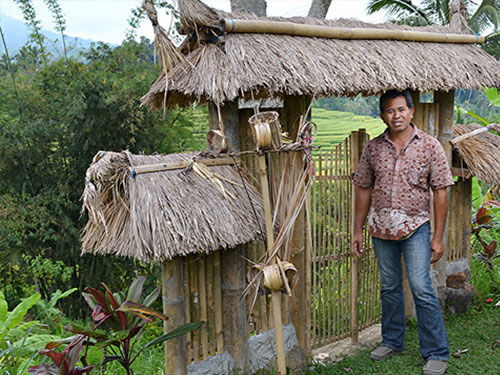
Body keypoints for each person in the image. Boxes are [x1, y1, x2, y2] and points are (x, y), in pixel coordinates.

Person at [352, 90, 453, 375]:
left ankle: (436, 352)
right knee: (390, 287)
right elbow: (363, 188)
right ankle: (393, 341)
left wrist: (438, 237)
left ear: (411, 111)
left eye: (400, 109)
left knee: (421, 288)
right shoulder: (373, 148)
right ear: (383, 116)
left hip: (416, 227)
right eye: (389, 111)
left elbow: (441, 192)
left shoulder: (430, 146)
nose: (396, 115)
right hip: (380, 228)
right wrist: (358, 230)